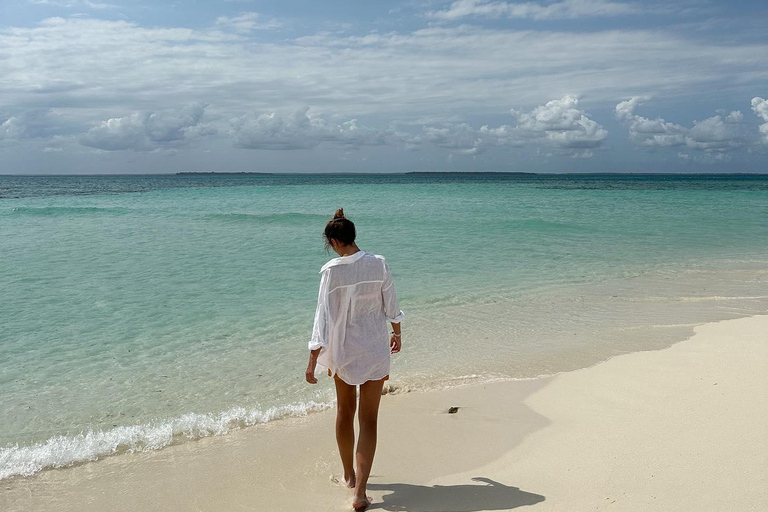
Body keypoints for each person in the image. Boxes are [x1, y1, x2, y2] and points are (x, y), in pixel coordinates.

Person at [305, 208, 404, 511]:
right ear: (353, 237)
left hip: (344, 351)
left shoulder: (331, 271)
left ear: (334, 241)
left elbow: (322, 319)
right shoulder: (380, 264)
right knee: (369, 420)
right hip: (375, 347)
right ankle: (360, 492)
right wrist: (397, 334)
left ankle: (349, 475)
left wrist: (312, 360)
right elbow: (392, 305)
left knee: (344, 412)